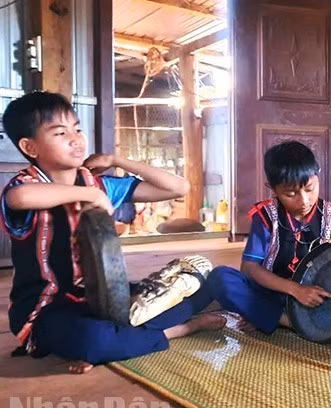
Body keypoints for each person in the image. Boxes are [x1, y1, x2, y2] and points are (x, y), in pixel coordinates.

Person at [0, 92, 224, 373]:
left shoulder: (98, 184)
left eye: (77, 129)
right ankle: (178, 329)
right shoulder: (26, 186)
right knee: (92, 338)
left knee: (204, 288)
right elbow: (19, 198)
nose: (75, 138)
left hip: (98, 299)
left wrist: (117, 160)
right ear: (29, 147)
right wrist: (88, 194)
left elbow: (178, 188)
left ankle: (120, 340)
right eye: (60, 132)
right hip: (45, 310)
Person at [206, 141, 331, 334]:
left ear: (318, 173)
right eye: (290, 194)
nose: (304, 201)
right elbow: (249, 268)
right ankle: (286, 321)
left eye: (309, 188)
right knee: (220, 279)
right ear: (272, 188)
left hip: (315, 297)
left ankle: (264, 316)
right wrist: (295, 290)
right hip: (273, 293)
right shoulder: (265, 216)